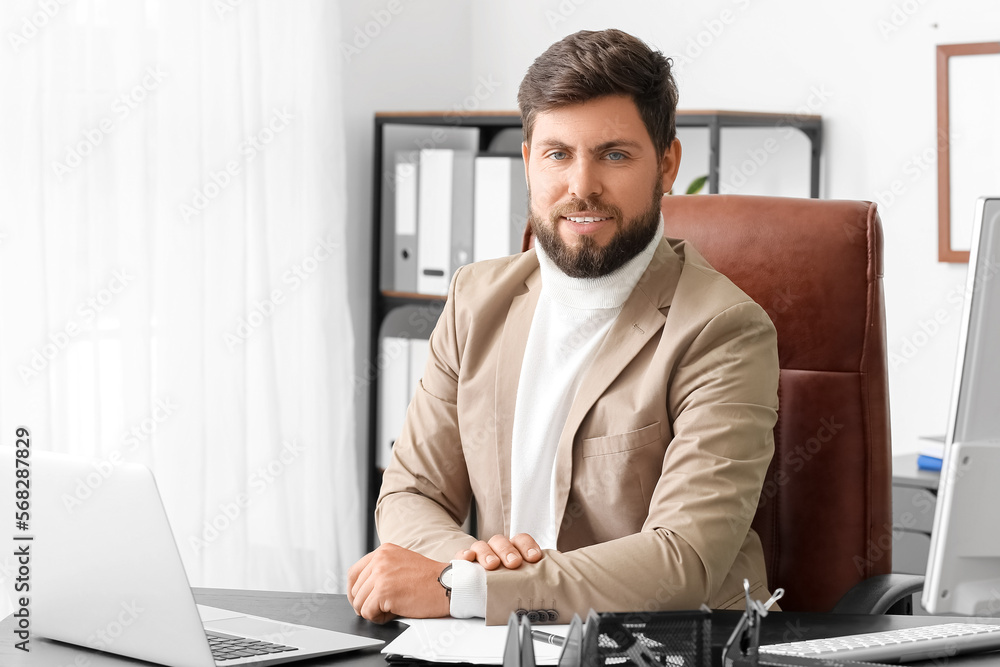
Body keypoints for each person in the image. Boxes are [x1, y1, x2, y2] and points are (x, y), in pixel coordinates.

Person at [348, 28, 779, 625]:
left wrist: (468, 591)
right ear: (528, 162)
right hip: (502, 641)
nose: (582, 186)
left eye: (615, 154)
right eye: (558, 154)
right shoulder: (477, 300)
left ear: (668, 165)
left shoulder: (722, 329)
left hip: (661, 647)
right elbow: (411, 493)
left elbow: (684, 560)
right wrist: (464, 568)